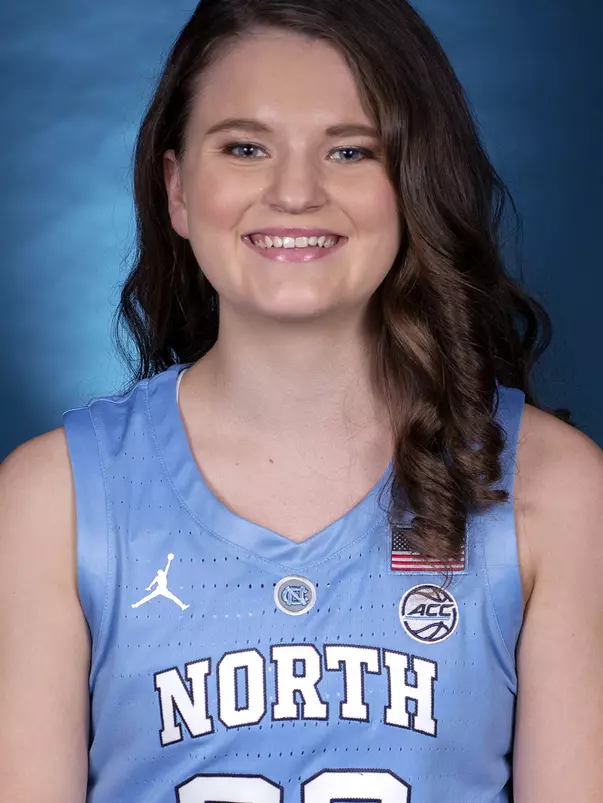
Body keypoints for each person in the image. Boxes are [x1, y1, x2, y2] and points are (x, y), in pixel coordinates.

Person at [1, 0, 602, 800]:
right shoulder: (53, 501)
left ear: (412, 183)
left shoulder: (556, 493)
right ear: (177, 188)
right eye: (245, 147)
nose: (294, 192)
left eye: (350, 151)